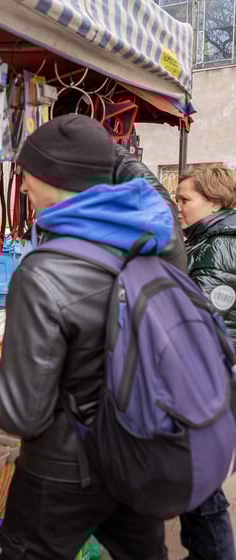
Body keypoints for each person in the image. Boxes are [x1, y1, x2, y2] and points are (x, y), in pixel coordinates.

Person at [0, 114, 181, 559]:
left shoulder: (44, 271)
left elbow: (23, 412)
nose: (21, 187)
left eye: (26, 175)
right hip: (139, 453)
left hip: (64, 471)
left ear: (55, 177)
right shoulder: (157, 243)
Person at [175, 165, 236, 560]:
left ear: (214, 200)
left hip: (208, 382)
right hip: (210, 381)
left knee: (200, 488)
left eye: (185, 199)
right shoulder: (208, 238)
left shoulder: (219, 245)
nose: (178, 207)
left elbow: (203, 326)